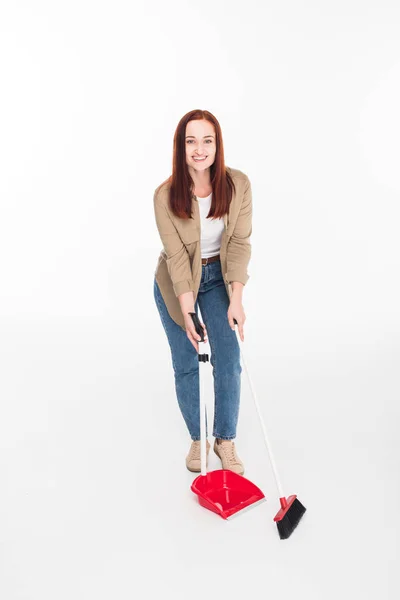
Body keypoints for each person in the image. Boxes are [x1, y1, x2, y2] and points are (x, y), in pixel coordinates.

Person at [153, 109, 253, 475]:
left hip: (218, 279)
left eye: (206, 140)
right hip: (176, 283)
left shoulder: (238, 185)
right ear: (181, 148)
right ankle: (198, 437)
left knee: (227, 359)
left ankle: (224, 439)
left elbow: (240, 243)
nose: (199, 149)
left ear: (217, 144)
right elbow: (177, 259)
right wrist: (186, 310)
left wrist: (236, 299)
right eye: (190, 141)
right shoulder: (165, 196)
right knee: (187, 361)